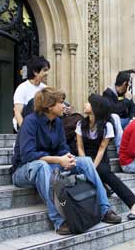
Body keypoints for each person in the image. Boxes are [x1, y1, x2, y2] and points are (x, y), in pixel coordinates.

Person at [10, 87, 122, 236]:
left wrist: (68, 158)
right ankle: (58, 221)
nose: (65, 106)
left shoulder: (57, 122)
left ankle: (104, 209)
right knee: (42, 166)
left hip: (51, 164)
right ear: (49, 105)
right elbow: (28, 156)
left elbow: (62, 148)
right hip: (24, 170)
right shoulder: (30, 122)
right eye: (61, 102)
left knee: (86, 161)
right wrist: (58, 159)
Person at [76, 94, 135, 220]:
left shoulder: (107, 126)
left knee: (103, 171)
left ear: (96, 108)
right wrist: (85, 164)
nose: (85, 104)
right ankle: (104, 189)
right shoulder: (81, 124)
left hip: (100, 158)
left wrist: (92, 168)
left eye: (89, 103)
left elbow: (101, 149)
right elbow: (80, 147)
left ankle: (134, 203)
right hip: (84, 157)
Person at [13, 56, 49, 131]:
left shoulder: (45, 88)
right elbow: (17, 112)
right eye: (44, 70)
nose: (47, 74)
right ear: (35, 72)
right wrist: (25, 130)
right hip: (24, 123)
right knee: (34, 102)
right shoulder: (22, 88)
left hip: (41, 123)